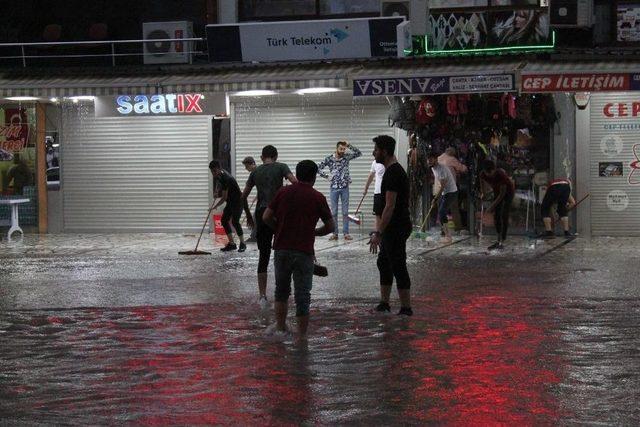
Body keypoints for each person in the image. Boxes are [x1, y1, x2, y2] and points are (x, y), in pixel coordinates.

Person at [263, 160, 334, 337]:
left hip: (282, 250)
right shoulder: (317, 197)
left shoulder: (283, 192)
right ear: (314, 176)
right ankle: (302, 338)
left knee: (281, 292)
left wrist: (278, 228)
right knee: (303, 295)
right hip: (304, 252)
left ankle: (280, 329)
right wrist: (314, 232)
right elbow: (331, 226)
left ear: (297, 173)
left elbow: (266, 217)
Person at [241, 145, 297, 308]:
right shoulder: (281, 167)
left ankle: (262, 296)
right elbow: (295, 183)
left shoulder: (255, 172)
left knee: (263, 255)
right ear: (276, 156)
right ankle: (284, 291)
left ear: (261, 157)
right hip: (278, 214)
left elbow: (243, 196)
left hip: (261, 214)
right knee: (283, 252)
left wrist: (249, 215)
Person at [369, 135, 413, 316]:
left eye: (376, 149)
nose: (374, 153)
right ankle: (384, 303)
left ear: (384, 151)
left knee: (397, 264)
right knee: (384, 263)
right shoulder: (390, 171)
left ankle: (406, 308)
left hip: (395, 227)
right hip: (391, 227)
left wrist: (378, 231)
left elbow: (390, 206)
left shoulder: (394, 173)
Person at [318, 140, 362, 241]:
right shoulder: (329, 159)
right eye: (341, 149)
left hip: (345, 187)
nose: (342, 151)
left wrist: (349, 145)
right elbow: (318, 168)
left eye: (344, 149)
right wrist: (327, 176)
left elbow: (359, 153)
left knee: (345, 212)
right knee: (334, 212)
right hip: (334, 187)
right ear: (336, 148)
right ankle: (335, 233)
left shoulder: (346, 157)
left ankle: (346, 233)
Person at [209, 160, 246, 253]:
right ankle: (232, 244)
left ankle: (242, 243)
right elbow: (219, 185)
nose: (213, 173)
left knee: (235, 222)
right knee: (224, 220)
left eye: (214, 171)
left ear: (219, 169)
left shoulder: (226, 178)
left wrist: (215, 206)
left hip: (238, 201)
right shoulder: (219, 175)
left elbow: (224, 197)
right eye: (211, 171)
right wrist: (217, 191)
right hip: (230, 201)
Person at [479, 159, 515, 250]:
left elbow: (502, 195)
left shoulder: (501, 175)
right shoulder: (483, 174)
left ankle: (502, 239)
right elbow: (482, 183)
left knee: (504, 214)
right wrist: (484, 193)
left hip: (508, 192)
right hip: (496, 191)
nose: (489, 174)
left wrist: (491, 206)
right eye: (487, 172)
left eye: (490, 172)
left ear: (494, 169)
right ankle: (498, 238)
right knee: (497, 215)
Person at [427, 152, 458, 244]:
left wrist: (435, 198)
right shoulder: (433, 168)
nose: (429, 161)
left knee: (441, 212)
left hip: (451, 192)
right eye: (428, 159)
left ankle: (448, 237)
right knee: (441, 213)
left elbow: (443, 185)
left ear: (436, 159)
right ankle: (444, 233)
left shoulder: (441, 169)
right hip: (445, 193)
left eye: (431, 159)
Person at [438, 147, 468, 232]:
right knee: (454, 208)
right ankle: (458, 228)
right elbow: (462, 168)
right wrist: (466, 167)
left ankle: (443, 230)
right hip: (450, 188)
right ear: (451, 152)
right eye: (454, 153)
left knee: (441, 209)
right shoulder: (451, 159)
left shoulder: (439, 158)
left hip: (439, 188)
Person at [364, 159, 385, 229]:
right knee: (377, 215)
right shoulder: (375, 162)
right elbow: (371, 175)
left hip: (387, 192)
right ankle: (377, 234)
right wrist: (366, 188)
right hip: (378, 192)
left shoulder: (390, 161)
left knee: (388, 214)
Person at [241, 156, 258, 243]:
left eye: (247, 166)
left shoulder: (255, 172)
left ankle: (254, 237)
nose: (246, 169)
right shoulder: (259, 170)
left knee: (256, 217)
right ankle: (254, 236)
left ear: (252, 164)